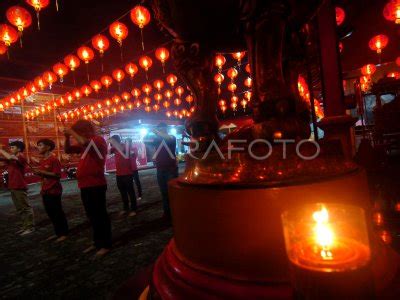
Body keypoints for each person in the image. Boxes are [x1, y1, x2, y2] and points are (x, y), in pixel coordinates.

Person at [64, 120, 111, 257]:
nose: (76, 135)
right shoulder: (85, 144)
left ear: (85, 130)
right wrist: (67, 137)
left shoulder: (97, 140)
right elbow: (68, 150)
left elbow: (85, 142)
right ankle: (97, 242)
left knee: (100, 215)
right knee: (91, 216)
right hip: (85, 184)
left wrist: (71, 132)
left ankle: (106, 244)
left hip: (96, 183)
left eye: (78, 132)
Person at [33, 139, 68, 242]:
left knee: (57, 212)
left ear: (48, 147)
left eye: (40, 145)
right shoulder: (43, 160)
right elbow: (45, 174)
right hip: (45, 190)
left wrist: (41, 172)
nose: (38, 147)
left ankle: (64, 233)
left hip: (54, 190)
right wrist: (40, 173)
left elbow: (57, 175)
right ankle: (58, 232)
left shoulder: (54, 160)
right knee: (50, 213)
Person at [0, 141, 34, 235]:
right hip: (13, 186)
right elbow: (4, 158)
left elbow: (10, 157)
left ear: (19, 149)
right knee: (20, 208)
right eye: (10, 148)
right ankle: (24, 226)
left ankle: (30, 227)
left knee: (25, 207)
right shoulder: (13, 158)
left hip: (19, 186)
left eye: (12, 147)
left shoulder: (21, 156)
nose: (11, 149)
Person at [149, 123, 178, 220]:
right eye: (159, 129)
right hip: (160, 169)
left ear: (166, 129)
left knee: (172, 193)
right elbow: (146, 141)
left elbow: (168, 139)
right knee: (164, 193)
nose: (160, 131)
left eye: (161, 129)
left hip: (170, 169)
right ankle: (167, 213)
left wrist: (157, 132)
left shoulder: (171, 138)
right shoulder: (157, 140)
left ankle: (176, 213)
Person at [109, 135, 137, 217]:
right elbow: (107, 152)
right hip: (119, 174)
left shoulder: (125, 147)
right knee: (123, 193)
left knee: (130, 192)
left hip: (127, 173)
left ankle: (134, 209)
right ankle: (125, 208)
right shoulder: (113, 149)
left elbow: (128, 152)